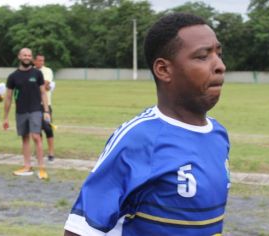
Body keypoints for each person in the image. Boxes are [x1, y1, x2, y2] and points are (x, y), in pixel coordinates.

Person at [64, 13, 230, 235]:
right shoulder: (139, 140)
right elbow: (80, 230)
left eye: (218, 54)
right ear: (163, 70)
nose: (219, 65)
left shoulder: (218, 134)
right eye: (202, 56)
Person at [3, 48, 51, 180]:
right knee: (24, 138)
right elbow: (8, 98)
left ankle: (41, 168)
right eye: (24, 55)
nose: (27, 57)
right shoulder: (13, 76)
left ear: (31, 58)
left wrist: (46, 111)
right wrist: (6, 117)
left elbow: (43, 92)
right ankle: (27, 166)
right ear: (19, 56)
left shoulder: (37, 73)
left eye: (29, 55)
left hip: (35, 110)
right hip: (20, 111)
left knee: (36, 136)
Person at [33, 54, 55, 162]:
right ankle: (39, 152)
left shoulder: (47, 71)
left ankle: (51, 152)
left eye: (43, 60)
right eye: (39, 61)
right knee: (36, 129)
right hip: (33, 104)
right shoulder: (30, 70)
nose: (41, 63)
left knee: (47, 127)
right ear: (34, 61)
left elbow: (46, 85)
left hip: (46, 104)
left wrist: (33, 85)